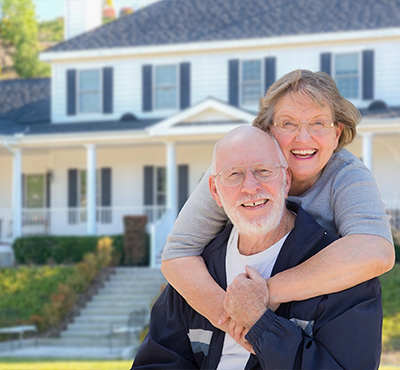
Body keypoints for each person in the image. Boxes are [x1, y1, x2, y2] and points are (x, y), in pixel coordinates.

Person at [161, 69, 394, 341]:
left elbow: (377, 250)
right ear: (267, 130)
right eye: (288, 123)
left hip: (315, 322)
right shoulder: (232, 171)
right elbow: (177, 253)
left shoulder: (347, 175)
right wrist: (234, 322)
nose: (303, 139)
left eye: (318, 123)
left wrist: (266, 293)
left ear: (337, 133)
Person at [132, 127, 382, 370]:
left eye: (263, 171)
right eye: (234, 174)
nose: (250, 187)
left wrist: (261, 326)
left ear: (286, 181)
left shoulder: (344, 274)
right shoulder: (197, 273)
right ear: (215, 192)